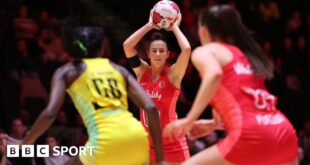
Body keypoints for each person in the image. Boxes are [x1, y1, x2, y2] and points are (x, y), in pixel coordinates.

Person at [8, 18, 166, 165]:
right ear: (101, 48)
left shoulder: (68, 71)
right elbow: (151, 108)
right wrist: (160, 159)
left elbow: (50, 113)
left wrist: (24, 143)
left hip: (105, 140)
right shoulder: (117, 69)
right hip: (137, 139)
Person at [163, 5, 298, 165]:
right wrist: (213, 125)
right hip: (283, 132)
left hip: (252, 135)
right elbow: (247, 107)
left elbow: (214, 74)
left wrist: (189, 119)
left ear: (204, 31)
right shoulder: (245, 56)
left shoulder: (206, 51)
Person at [123, 11, 191, 164]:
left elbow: (186, 49)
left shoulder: (173, 74)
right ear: (148, 54)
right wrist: (149, 25)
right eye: (154, 51)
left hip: (173, 144)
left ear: (168, 54)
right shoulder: (142, 72)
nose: (158, 54)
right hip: (148, 145)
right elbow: (127, 46)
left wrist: (174, 26)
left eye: (162, 51)